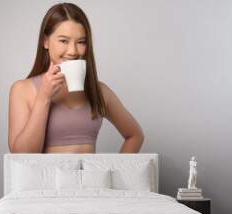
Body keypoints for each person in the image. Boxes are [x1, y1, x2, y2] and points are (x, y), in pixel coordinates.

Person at [8, 3, 144, 154]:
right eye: (63, 41)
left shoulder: (99, 91)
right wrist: (43, 97)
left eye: (80, 42)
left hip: (92, 178)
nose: (72, 51)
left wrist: (115, 174)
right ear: (45, 41)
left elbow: (135, 136)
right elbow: (21, 155)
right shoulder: (23, 90)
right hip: (47, 178)